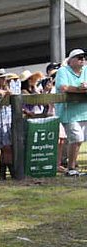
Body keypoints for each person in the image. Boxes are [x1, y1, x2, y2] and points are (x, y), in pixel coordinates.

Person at [55, 48, 87, 177]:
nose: (82, 60)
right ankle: (71, 168)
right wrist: (80, 89)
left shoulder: (86, 70)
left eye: (84, 57)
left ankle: (72, 166)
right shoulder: (63, 71)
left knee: (79, 140)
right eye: (79, 57)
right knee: (76, 138)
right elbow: (63, 87)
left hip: (84, 111)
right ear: (71, 60)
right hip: (69, 113)